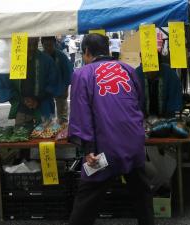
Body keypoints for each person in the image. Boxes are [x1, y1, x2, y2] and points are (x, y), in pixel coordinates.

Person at [68, 34, 154, 225]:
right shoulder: (127, 69)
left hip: (105, 149)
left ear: (87, 52)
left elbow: (81, 113)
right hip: (133, 144)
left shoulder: (82, 74)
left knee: (87, 198)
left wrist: (87, 148)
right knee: (142, 195)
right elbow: (139, 102)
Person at [0, 37, 58, 126]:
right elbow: (5, 84)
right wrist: (22, 100)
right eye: (28, 45)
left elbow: (53, 83)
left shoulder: (46, 60)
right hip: (21, 108)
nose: (32, 48)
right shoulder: (12, 61)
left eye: (35, 44)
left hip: (44, 107)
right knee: (21, 134)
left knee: (46, 136)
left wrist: (37, 100)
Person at [135, 53, 182, 118]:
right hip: (142, 119)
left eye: (153, 68)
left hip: (166, 118)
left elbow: (175, 102)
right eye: (147, 69)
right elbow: (134, 102)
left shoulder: (170, 74)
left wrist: (167, 121)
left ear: (159, 65)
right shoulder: (136, 74)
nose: (150, 72)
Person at [41, 36, 73, 123]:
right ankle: (47, 126)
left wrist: (66, 89)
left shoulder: (61, 56)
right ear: (42, 44)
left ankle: (63, 125)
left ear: (54, 44)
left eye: (50, 45)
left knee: (62, 112)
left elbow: (67, 73)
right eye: (46, 45)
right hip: (46, 88)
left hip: (60, 86)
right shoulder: (40, 57)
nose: (48, 48)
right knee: (46, 114)